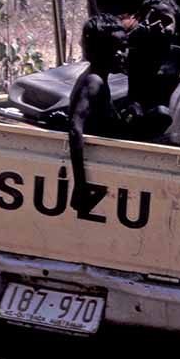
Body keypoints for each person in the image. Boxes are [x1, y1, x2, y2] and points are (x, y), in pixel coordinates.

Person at [69, 15, 130, 212]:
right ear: (99, 51)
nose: (123, 54)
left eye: (125, 47)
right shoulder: (94, 81)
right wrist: (80, 184)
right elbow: (75, 129)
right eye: (117, 48)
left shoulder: (100, 79)